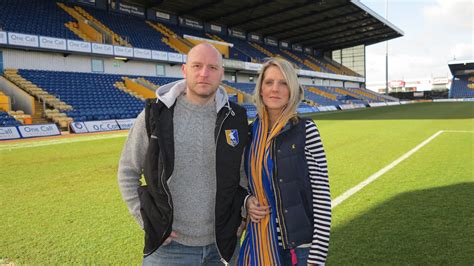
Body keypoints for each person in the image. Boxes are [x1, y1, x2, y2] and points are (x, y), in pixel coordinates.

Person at [118, 43, 249, 265]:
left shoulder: (236, 118)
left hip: (222, 247)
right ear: (184, 70)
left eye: (212, 68)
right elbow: (127, 172)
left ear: (222, 74)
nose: (204, 73)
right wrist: (147, 222)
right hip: (169, 249)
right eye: (197, 65)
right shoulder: (155, 115)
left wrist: (243, 212)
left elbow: (243, 173)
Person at [238, 58, 332, 265]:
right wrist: (247, 202)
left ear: (292, 90)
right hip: (256, 243)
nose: (275, 89)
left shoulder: (306, 131)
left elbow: (322, 196)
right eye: (269, 82)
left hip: (298, 250)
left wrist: (317, 256)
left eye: (283, 83)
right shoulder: (251, 133)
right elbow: (242, 182)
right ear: (261, 89)